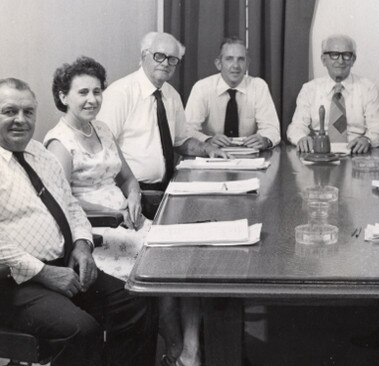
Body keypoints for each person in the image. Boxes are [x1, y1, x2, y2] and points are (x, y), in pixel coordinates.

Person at [0, 78, 156, 366]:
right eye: (9, 111)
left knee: (135, 302)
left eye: (28, 112)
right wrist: (43, 272)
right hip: (14, 284)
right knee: (81, 330)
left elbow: (70, 206)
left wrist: (82, 245)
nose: (20, 120)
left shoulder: (40, 154)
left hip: (64, 264)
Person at [96, 31, 226, 218]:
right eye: (159, 56)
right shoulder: (120, 93)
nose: (165, 63)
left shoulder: (171, 95)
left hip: (165, 191)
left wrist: (207, 149)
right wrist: (129, 192)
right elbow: (104, 148)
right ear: (143, 56)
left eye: (172, 59)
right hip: (129, 195)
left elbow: (180, 141)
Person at [44, 56, 147, 280]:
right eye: (83, 93)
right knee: (156, 263)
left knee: (170, 254)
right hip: (96, 228)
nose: (92, 99)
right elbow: (61, 199)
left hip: (128, 220)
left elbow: (127, 177)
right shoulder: (59, 142)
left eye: (97, 92)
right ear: (63, 96)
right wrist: (113, 214)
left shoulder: (102, 129)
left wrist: (134, 196)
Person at [287, 34, 379, 154]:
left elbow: (377, 129)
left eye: (346, 55)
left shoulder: (368, 88)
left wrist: (367, 140)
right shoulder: (310, 89)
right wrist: (301, 138)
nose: (340, 60)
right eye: (334, 55)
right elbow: (296, 126)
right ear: (323, 60)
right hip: (319, 153)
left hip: (356, 154)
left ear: (353, 60)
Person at [185, 37, 280, 150]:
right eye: (229, 59)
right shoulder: (202, 88)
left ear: (247, 64)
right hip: (211, 154)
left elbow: (272, 128)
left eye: (241, 59)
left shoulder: (258, 86)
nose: (235, 65)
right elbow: (187, 130)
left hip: (250, 156)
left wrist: (265, 139)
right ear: (218, 64)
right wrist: (207, 139)